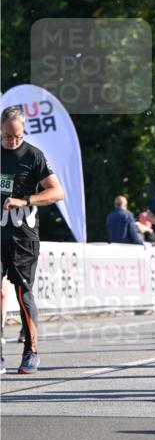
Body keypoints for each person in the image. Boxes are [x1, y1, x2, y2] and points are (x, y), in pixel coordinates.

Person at [1, 105, 64, 374]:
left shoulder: (34, 155)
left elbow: (56, 192)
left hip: (23, 235)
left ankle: (31, 350)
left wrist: (24, 200)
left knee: (21, 292)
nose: (12, 142)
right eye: (7, 137)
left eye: (17, 137)